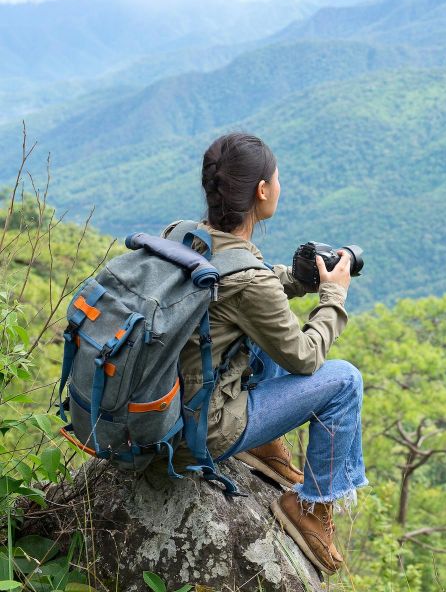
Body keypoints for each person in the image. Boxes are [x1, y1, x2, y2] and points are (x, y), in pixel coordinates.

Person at [167, 132, 367, 576]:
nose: (279, 186)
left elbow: (244, 287)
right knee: (345, 380)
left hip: (173, 404)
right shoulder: (249, 281)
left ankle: (262, 444)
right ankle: (311, 508)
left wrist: (295, 281)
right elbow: (306, 358)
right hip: (206, 426)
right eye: (276, 180)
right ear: (261, 190)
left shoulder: (184, 236)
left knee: (264, 324)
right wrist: (333, 295)